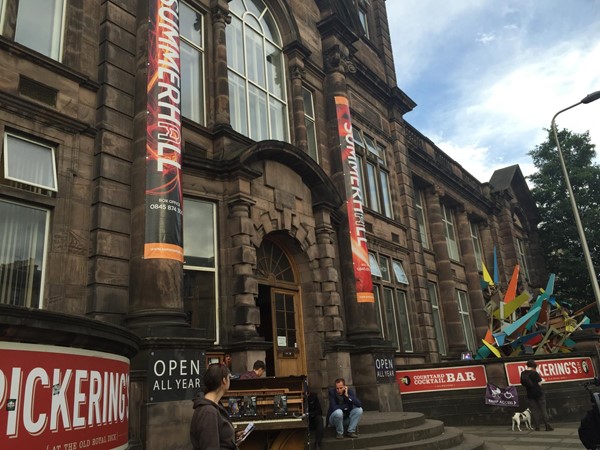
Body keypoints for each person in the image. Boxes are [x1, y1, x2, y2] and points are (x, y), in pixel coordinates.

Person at [190, 363, 240, 450]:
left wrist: (232, 438)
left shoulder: (214, 406)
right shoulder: (208, 411)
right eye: (229, 377)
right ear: (224, 380)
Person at [520, 359, 553, 431]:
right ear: (534, 366)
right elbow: (539, 384)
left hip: (530, 394)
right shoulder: (535, 373)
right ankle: (547, 426)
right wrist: (543, 381)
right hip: (539, 393)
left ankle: (537, 427)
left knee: (534, 411)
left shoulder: (523, 374)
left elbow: (523, 383)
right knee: (543, 410)